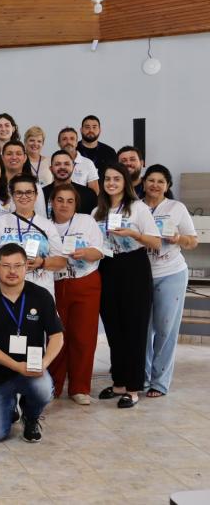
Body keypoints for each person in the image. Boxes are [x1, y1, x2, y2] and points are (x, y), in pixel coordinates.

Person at [0, 243, 64, 443]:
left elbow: (57, 336)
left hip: (32, 370)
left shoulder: (41, 296)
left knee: (44, 388)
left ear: (26, 267)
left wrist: (44, 363)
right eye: (6, 266)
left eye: (18, 265)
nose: (12, 271)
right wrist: (17, 366)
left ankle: (31, 416)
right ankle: (8, 406)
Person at [92, 163, 160, 408]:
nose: (111, 183)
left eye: (116, 179)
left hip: (134, 269)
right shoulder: (96, 212)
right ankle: (119, 382)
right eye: (107, 179)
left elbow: (156, 242)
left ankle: (133, 388)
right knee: (113, 328)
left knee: (135, 329)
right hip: (107, 268)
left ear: (125, 182)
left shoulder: (138, 208)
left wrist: (133, 234)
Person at [142, 165, 198, 397]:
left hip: (171, 273)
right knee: (142, 330)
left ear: (168, 186)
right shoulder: (135, 206)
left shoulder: (176, 208)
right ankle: (141, 378)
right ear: (143, 182)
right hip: (141, 276)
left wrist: (177, 238)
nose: (155, 185)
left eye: (161, 181)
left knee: (165, 328)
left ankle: (159, 381)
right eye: (151, 180)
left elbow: (192, 241)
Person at [47, 184, 104, 404]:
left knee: (83, 337)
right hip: (56, 285)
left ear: (76, 204)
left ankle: (80, 387)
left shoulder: (86, 221)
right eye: (60, 200)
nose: (64, 205)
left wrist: (87, 253)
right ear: (52, 202)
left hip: (85, 283)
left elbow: (99, 250)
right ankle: (54, 384)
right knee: (57, 336)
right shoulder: (45, 224)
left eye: (70, 201)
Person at [0, 174, 66, 298]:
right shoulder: (0, 222)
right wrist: (12, 263)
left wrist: (42, 262)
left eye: (29, 192)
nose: (24, 196)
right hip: (7, 293)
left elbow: (61, 261)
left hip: (41, 293)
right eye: (19, 193)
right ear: (12, 195)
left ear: (36, 195)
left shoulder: (47, 225)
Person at [42, 150, 98, 217]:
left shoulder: (88, 195)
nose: (62, 167)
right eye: (57, 164)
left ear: (73, 167)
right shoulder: (41, 194)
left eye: (66, 164)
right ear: (51, 169)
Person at [1, 141, 47, 216]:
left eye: (18, 154)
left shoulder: (34, 186)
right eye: (9, 154)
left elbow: (41, 217)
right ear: (2, 158)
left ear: (25, 158)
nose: (14, 157)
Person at [56, 127, 100, 194]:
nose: (68, 142)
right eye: (64, 139)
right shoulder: (52, 162)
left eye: (72, 139)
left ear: (76, 143)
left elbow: (94, 192)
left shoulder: (88, 163)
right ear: (59, 143)